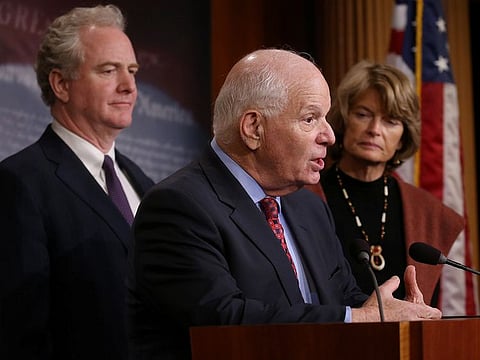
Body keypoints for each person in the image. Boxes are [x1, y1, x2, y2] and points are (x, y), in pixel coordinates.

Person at [128, 49, 442, 360]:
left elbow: (344, 301)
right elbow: (225, 319)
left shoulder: (309, 207)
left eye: (325, 118)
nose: (329, 136)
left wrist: (394, 313)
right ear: (253, 128)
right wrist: (360, 318)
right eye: (310, 118)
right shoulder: (179, 206)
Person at [0, 5, 154, 359]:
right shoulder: (20, 183)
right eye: (108, 70)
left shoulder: (144, 183)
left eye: (132, 71)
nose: (129, 86)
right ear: (60, 84)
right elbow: (19, 331)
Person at [309, 60, 464, 306]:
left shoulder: (430, 213)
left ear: (403, 138)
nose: (374, 129)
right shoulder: (301, 197)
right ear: (343, 121)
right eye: (363, 115)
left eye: (390, 121)